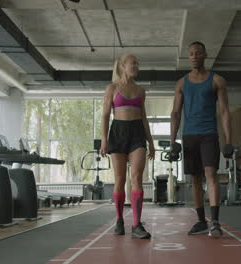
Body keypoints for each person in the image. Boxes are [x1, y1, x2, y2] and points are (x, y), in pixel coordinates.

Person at [170, 41, 233, 238]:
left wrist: (228, 140)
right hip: (189, 135)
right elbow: (175, 113)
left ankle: (215, 222)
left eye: (198, 53)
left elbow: (224, 112)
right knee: (195, 179)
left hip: (208, 134)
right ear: (188, 57)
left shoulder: (217, 81)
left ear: (205, 55)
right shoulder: (181, 83)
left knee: (210, 174)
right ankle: (200, 221)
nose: (194, 56)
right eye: (191, 54)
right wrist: (173, 142)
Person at [100, 54, 155, 239]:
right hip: (118, 133)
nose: (137, 66)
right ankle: (119, 220)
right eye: (134, 63)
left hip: (137, 133)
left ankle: (137, 224)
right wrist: (104, 140)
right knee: (119, 179)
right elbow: (106, 116)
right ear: (123, 66)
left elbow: (144, 118)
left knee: (137, 176)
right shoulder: (112, 88)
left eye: (138, 63)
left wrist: (151, 142)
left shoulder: (141, 91)